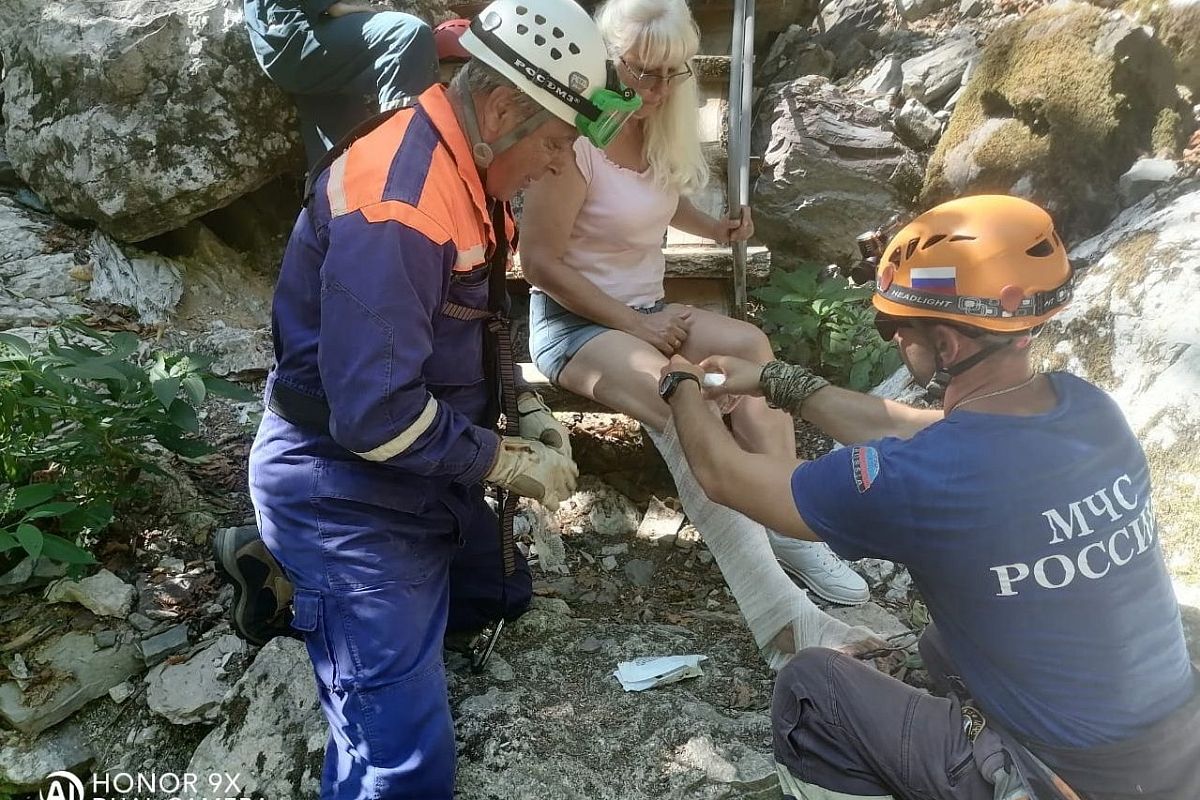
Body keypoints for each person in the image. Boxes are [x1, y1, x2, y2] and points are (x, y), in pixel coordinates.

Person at [219, 0, 640, 795]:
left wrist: (525, 409)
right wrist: (500, 457)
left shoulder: (465, 162)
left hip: (413, 459)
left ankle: (303, 580)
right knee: (405, 767)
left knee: (497, 595)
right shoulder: (401, 202)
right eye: (556, 143)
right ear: (506, 107)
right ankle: (299, 574)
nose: (560, 166)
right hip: (342, 481)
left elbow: (481, 316)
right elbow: (373, 413)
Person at [659, 194, 1200, 799]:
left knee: (812, 690)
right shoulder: (1088, 409)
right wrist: (778, 381)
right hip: (1175, 751)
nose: (891, 338)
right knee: (941, 646)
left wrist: (677, 379)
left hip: (1074, 779)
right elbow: (913, 428)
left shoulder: (921, 480)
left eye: (896, 326)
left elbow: (723, 476)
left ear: (946, 344)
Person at [518, 0, 873, 669]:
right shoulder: (576, 136)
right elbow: (538, 263)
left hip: (647, 312)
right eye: (639, 71)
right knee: (685, 401)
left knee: (751, 350)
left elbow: (653, 195)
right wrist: (641, 326)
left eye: (669, 76)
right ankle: (783, 620)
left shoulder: (652, 122)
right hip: (575, 326)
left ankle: (786, 521)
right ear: (605, 57)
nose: (652, 90)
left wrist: (714, 231)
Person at [243, 1, 440, 167]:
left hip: (292, 42)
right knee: (407, 35)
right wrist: (333, 4)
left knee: (344, 157)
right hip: (300, 28)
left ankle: (334, 203)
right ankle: (406, 164)